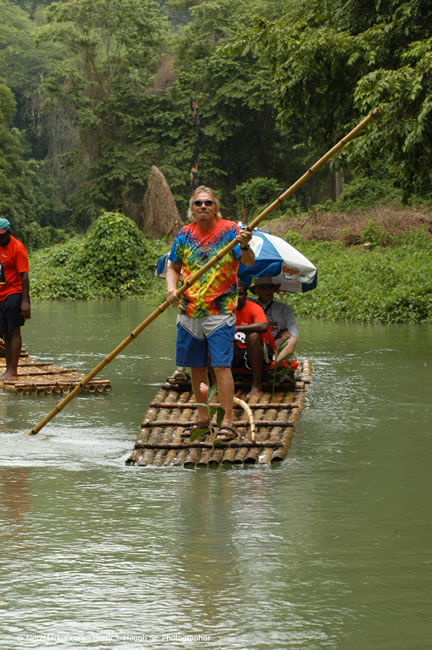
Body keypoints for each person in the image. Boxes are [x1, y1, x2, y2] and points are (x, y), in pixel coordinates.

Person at [165, 185, 254, 442]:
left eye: (208, 203)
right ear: (191, 209)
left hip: (220, 310)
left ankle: (227, 421)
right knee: (196, 368)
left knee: (221, 367)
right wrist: (172, 288)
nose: (203, 207)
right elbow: (173, 266)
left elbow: (248, 261)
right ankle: (203, 419)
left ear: (216, 207)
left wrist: (245, 246)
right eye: (198, 203)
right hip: (189, 311)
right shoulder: (184, 234)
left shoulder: (230, 231)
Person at [0, 218, 31, 381]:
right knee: (4, 332)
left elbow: (24, 275)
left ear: (9, 233)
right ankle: (8, 369)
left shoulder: (17, 248)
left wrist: (25, 301)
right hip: (1, 293)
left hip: (15, 292)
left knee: (14, 331)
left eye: (2, 236)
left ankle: (13, 371)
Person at [232, 282, 274, 399]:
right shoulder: (223, 308)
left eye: (240, 294)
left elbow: (263, 326)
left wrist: (239, 328)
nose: (236, 297)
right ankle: (215, 383)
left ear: (245, 295)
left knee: (254, 336)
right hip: (234, 352)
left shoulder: (253, 307)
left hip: (254, 352)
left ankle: (256, 384)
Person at [250, 276, 298, 363]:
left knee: (292, 338)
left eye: (270, 287)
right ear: (257, 291)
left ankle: (276, 363)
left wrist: (289, 334)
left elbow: (292, 326)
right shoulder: (251, 306)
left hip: (278, 344)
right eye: (264, 288)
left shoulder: (283, 308)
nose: (268, 291)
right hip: (258, 343)